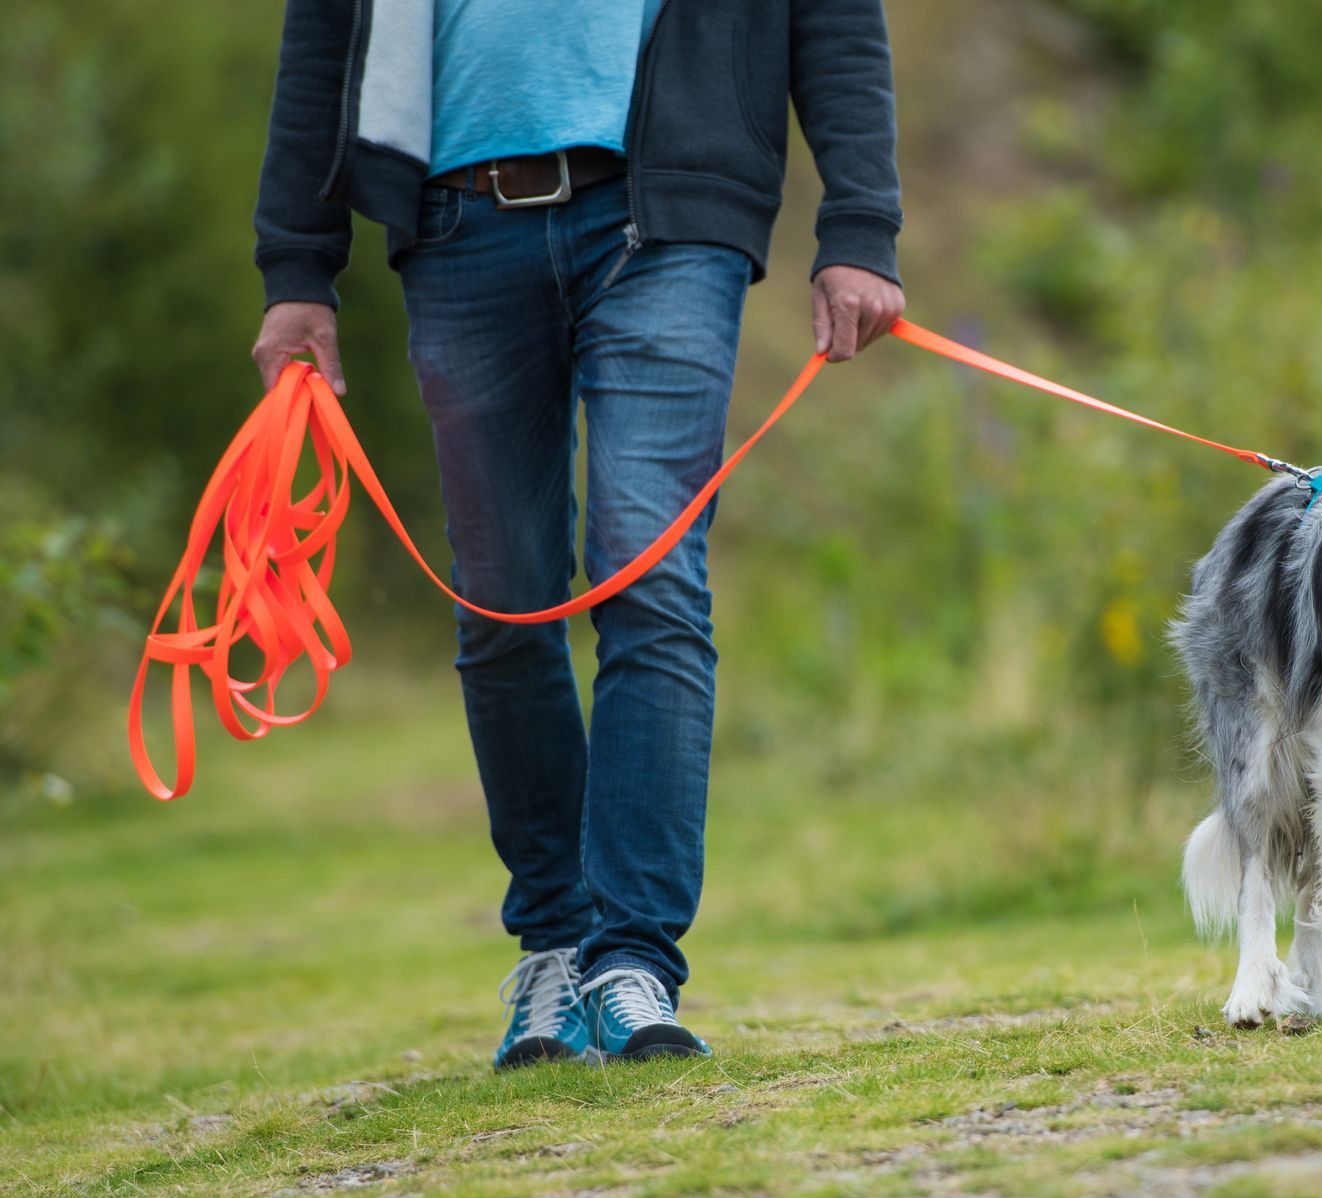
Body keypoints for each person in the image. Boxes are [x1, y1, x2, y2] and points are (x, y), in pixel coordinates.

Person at [247, 0, 904, 1068]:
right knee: (502, 606)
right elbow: (326, 30)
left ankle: (633, 956)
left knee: (648, 571)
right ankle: (554, 942)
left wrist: (862, 224)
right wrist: (296, 270)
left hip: (669, 214)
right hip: (455, 226)